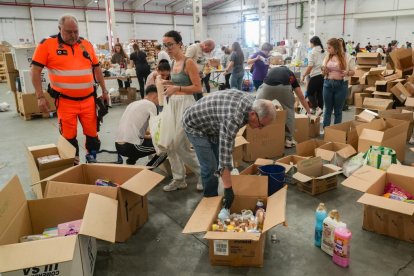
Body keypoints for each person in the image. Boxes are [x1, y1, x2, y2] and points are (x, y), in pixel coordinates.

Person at [31, 14, 109, 164]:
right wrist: (40, 97)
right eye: (69, 32)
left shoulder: (86, 44)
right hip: (66, 102)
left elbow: (97, 69)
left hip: (88, 100)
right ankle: (74, 166)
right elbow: (35, 71)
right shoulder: (47, 44)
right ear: (60, 29)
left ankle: (92, 162)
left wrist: (105, 91)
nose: (73, 35)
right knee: (69, 137)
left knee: (93, 135)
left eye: (76, 31)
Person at [183, 90, 276, 208]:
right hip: (195, 126)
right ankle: (210, 203)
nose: (260, 129)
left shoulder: (253, 104)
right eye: (261, 125)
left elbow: (226, 147)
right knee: (210, 166)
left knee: (219, 162)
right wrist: (228, 189)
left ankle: (216, 192)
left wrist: (226, 174)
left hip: (213, 123)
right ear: (253, 114)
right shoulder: (232, 118)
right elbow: (225, 157)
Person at [161, 30, 203, 192]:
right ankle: (179, 178)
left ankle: (203, 174)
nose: (168, 48)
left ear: (180, 44)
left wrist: (176, 87)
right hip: (173, 104)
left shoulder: (189, 63)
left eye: (170, 44)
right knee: (170, 144)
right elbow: (178, 81)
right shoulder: (172, 63)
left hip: (186, 105)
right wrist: (167, 83)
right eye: (165, 45)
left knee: (180, 144)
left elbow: (197, 88)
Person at [257, 66, 311, 148]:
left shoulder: (272, 70)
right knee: (289, 110)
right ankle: (289, 140)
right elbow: (301, 97)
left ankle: (252, 133)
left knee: (256, 107)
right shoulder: (290, 74)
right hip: (284, 88)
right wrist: (309, 112)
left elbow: (264, 83)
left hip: (267, 87)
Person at [115, 85, 167, 167]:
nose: (162, 100)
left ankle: (130, 163)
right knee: (164, 148)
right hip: (130, 146)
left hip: (118, 145)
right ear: (155, 96)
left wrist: (148, 135)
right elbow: (155, 132)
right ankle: (147, 172)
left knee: (139, 140)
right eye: (161, 97)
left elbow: (137, 131)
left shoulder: (133, 103)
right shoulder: (151, 105)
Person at [321, 38, 355, 128]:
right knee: (327, 110)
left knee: (338, 111)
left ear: (335, 48)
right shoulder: (328, 56)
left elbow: (353, 72)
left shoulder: (347, 57)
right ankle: (326, 130)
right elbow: (322, 71)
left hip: (341, 86)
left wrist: (347, 73)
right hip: (327, 84)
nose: (327, 49)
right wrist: (324, 70)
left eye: (329, 48)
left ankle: (336, 131)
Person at [301, 36, 325, 113]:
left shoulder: (312, 52)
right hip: (322, 75)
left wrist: (304, 75)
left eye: (310, 42)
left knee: (309, 93)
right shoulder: (323, 51)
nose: (309, 44)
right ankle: (320, 110)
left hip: (315, 75)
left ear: (313, 43)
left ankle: (317, 109)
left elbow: (310, 66)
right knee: (319, 94)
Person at [339, 38, 356, 111]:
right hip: (331, 82)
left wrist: (347, 72)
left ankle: (343, 105)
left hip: (343, 81)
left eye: (340, 46)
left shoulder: (349, 57)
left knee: (341, 102)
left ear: (343, 47)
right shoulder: (331, 56)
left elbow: (353, 72)